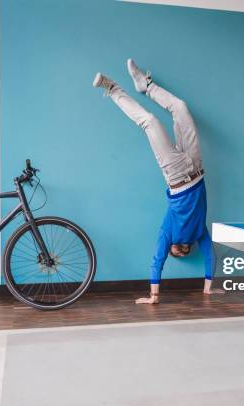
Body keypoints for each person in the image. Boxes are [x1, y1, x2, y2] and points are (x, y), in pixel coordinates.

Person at [93, 59, 221, 304]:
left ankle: (112, 89)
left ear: (174, 248)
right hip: (196, 166)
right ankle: (146, 85)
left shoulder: (168, 231)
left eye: (176, 252)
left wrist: (154, 296)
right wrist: (207, 288)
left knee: (149, 122)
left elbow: (157, 261)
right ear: (185, 249)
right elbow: (210, 257)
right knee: (181, 107)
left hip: (176, 175)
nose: (179, 251)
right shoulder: (198, 233)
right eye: (182, 252)